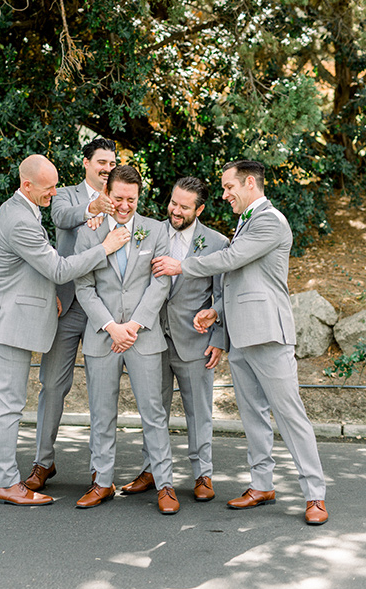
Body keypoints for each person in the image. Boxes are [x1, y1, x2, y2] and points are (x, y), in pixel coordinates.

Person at [152, 160, 328, 526]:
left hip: (268, 333)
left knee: (290, 415)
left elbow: (232, 258)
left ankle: (315, 494)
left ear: (250, 183)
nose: (224, 194)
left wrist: (181, 266)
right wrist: (216, 311)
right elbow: (239, 280)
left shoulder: (269, 220)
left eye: (229, 187)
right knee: (253, 416)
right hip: (241, 336)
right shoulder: (246, 221)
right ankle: (262, 485)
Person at [0, 154, 129, 506]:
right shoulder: (20, 219)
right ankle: (5, 481)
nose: (53, 193)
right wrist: (104, 248)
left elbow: (29, 268)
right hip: (13, 323)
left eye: (54, 186)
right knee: (9, 403)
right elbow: (59, 269)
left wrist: (50, 296)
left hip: (5, 316)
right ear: (27, 185)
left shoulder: (18, 208)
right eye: (47, 188)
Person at [74, 165, 180, 514]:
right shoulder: (90, 233)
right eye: (118, 198)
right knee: (102, 413)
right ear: (107, 193)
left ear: (139, 196)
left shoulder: (155, 231)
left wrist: (133, 325)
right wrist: (110, 326)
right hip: (103, 336)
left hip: (143, 337)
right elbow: (84, 286)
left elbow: (161, 283)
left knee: (153, 414)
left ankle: (164, 484)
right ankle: (102, 482)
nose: (124, 205)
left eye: (131, 199)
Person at [121, 177, 229, 502]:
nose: (176, 210)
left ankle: (202, 474)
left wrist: (219, 338)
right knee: (154, 409)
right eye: (173, 202)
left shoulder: (217, 243)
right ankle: (151, 469)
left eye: (184, 206)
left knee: (199, 411)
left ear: (200, 209)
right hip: (152, 339)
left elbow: (222, 295)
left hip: (194, 341)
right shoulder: (150, 232)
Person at [24, 138, 117, 492]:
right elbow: (60, 218)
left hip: (102, 309)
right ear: (86, 163)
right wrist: (93, 208)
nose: (106, 168)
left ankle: (100, 469)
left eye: (111, 162)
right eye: (101, 161)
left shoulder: (120, 199)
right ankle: (42, 463)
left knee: (101, 388)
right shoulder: (64, 196)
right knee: (52, 386)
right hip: (66, 305)